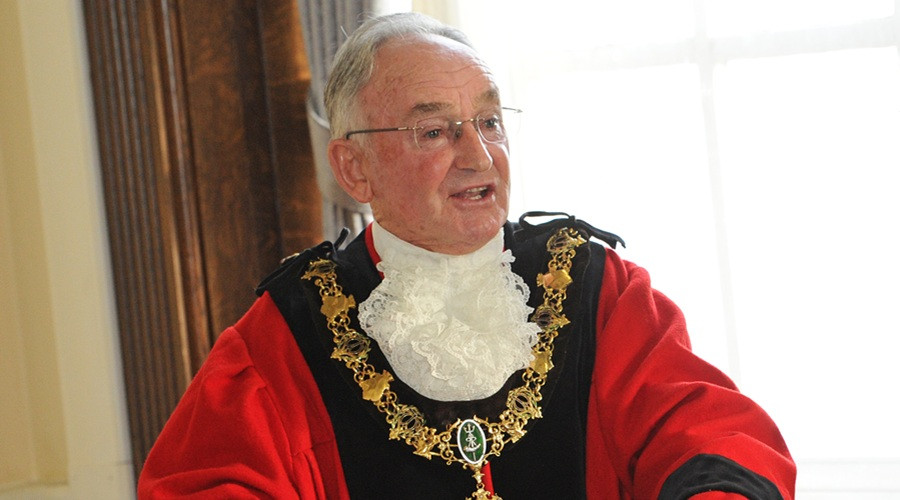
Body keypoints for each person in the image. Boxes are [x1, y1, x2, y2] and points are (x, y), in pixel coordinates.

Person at [138, 12, 795, 499]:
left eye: (488, 122)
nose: (479, 156)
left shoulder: (597, 289)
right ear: (353, 167)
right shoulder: (289, 332)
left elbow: (710, 433)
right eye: (435, 131)